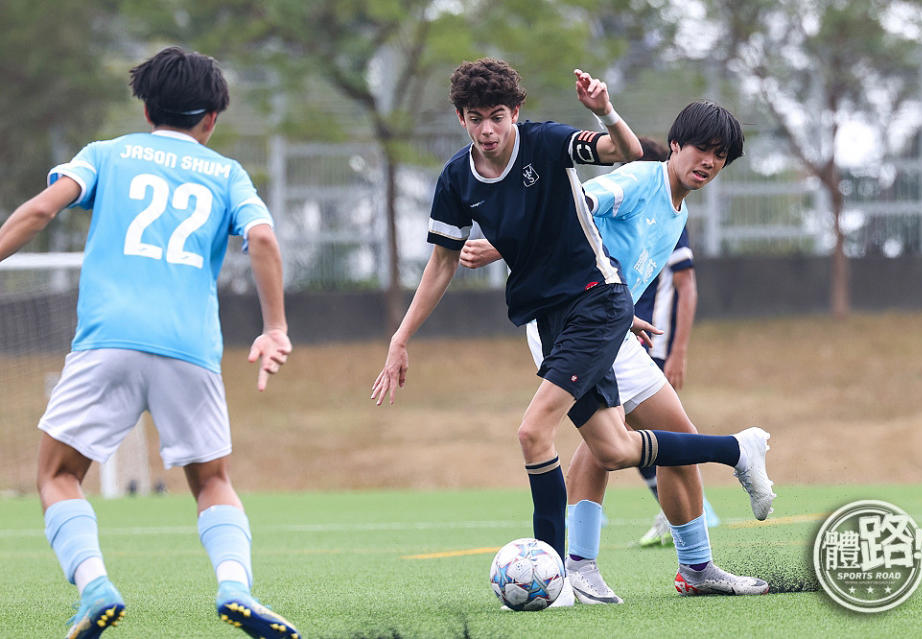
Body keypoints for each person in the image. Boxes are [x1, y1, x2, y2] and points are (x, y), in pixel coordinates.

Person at [371, 59, 775, 606]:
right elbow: (585, 200)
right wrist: (403, 334)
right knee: (607, 448)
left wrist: (616, 313)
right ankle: (724, 460)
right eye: (475, 118)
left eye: (720, 157)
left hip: (597, 310)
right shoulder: (630, 178)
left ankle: (654, 565)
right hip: (568, 313)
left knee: (605, 441)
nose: (487, 129)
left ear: (514, 113)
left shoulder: (656, 201)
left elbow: (590, 215)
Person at [0, 47, 301, 638]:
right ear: (212, 118)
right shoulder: (228, 174)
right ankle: (235, 588)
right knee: (212, 481)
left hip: (107, 341)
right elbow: (262, 241)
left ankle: (94, 588)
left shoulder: (106, 155)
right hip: (189, 349)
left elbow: (39, 210)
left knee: (58, 474)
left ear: (144, 108)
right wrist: (274, 329)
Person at [635, 225, 721, 548]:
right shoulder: (630, 207)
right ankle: (678, 512)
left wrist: (678, 351)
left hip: (652, 344)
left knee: (642, 435)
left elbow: (686, 286)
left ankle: (692, 512)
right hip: (628, 341)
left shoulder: (668, 216)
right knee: (630, 436)